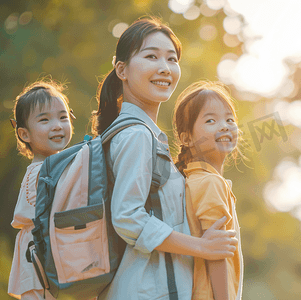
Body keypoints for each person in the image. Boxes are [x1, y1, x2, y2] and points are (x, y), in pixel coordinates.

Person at [92, 17, 238, 300]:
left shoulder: (143, 134)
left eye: (172, 59)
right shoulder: (136, 135)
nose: (164, 68)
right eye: (151, 56)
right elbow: (128, 217)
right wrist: (201, 247)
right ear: (121, 70)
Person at [173, 81, 243, 300]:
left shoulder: (194, 179)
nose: (224, 126)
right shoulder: (210, 182)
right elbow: (216, 253)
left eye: (229, 119)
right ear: (187, 139)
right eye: (211, 120)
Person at [8, 80, 74, 300]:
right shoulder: (42, 171)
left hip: (45, 258)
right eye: (44, 119)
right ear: (24, 134)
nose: (57, 125)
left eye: (63, 117)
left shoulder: (54, 167)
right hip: (38, 258)